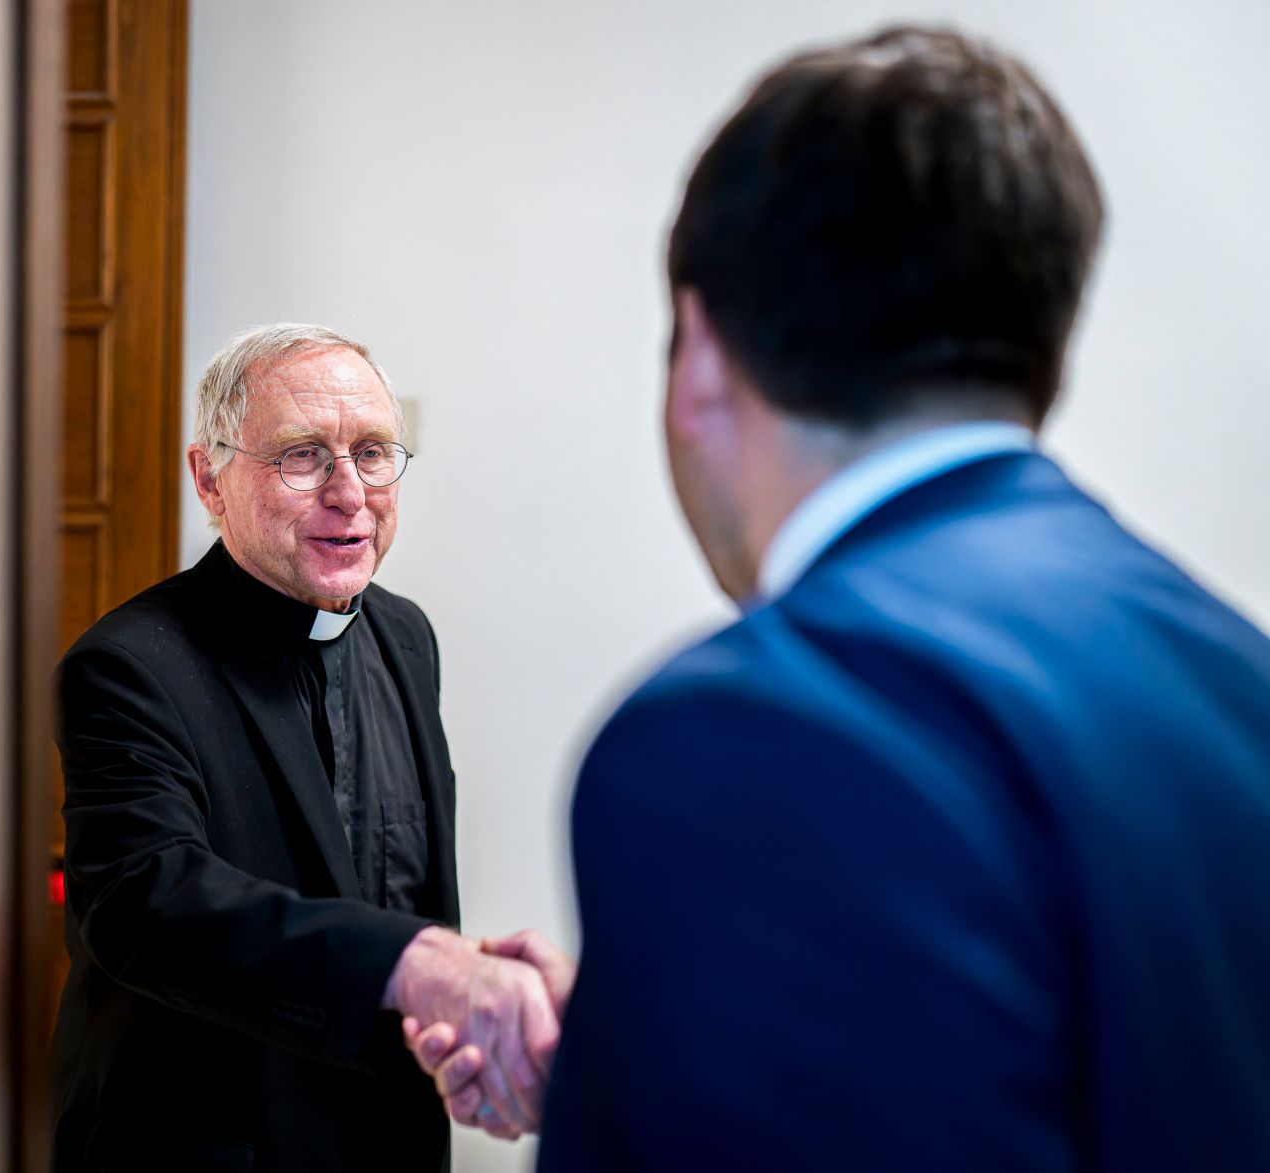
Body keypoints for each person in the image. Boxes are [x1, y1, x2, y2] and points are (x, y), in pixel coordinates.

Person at [425, 23, 1270, 1171]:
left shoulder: (747, 735)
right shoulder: (1228, 671)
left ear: (701, 354)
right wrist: (661, 1052)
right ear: (1043, 346)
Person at [51, 323, 563, 1172]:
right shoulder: (128, 665)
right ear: (209, 479)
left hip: (388, 1134)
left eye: (372, 452)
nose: (350, 493)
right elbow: (147, 904)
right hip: (208, 1144)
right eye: (302, 455)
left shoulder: (405, 635)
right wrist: (414, 966)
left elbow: (405, 889)